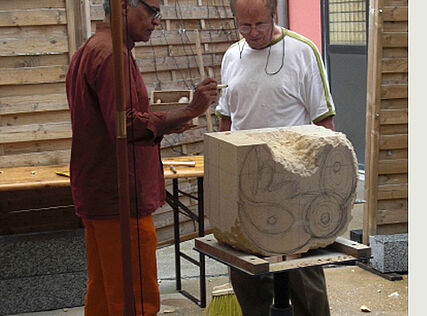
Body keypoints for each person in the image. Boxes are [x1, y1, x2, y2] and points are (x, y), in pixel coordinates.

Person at [66, 0, 219, 315]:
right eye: (152, 10)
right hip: (120, 199)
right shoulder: (111, 56)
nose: (156, 21)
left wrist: (172, 121)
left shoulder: (94, 48)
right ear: (123, 6)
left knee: (105, 294)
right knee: (135, 299)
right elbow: (124, 124)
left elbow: (117, 121)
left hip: (102, 194)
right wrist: (190, 110)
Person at [215, 0, 336, 315]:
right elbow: (226, 123)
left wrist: (325, 186)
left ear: (274, 15)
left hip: (295, 186)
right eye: (244, 26)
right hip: (246, 183)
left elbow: (324, 124)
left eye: (259, 25)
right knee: (247, 277)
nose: (252, 33)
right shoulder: (231, 56)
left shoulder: (302, 52)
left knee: (306, 279)